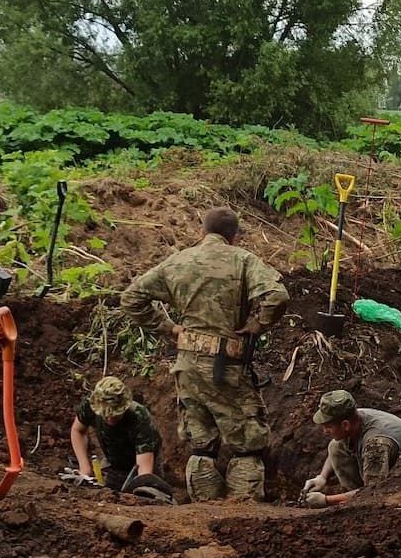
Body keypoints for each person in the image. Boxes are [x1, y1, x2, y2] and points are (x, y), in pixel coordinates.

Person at [121, 207, 288, 501]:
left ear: (202, 231)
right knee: (246, 442)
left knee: (200, 444)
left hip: (187, 365)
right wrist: (255, 325)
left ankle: (204, 511)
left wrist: (170, 328)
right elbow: (277, 296)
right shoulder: (243, 260)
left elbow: (131, 298)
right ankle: (243, 511)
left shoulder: (178, 261)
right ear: (234, 236)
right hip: (226, 366)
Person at [301, 390, 401, 509]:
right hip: (385, 463)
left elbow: (373, 491)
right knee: (335, 446)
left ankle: (358, 505)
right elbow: (337, 445)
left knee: (371, 497)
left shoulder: (375, 444)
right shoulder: (356, 417)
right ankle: (353, 498)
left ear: (345, 425)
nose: (324, 431)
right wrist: (322, 477)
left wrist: (327, 500)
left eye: (328, 427)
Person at [69, 376, 180, 502]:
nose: (110, 419)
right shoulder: (91, 404)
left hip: (142, 461)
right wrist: (84, 467)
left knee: (148, 496)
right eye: (106, 415)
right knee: (110, 497)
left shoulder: (139, 417)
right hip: (114, 460)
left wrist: (140, 493)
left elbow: (143, 470)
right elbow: (77, 430)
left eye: (115, 415)